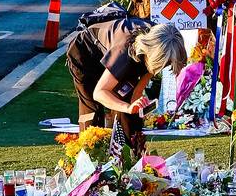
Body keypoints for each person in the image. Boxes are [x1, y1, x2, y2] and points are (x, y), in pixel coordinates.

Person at [66, 8, 188, 147]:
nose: (163, 67)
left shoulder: (161, 41)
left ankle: (131, 156)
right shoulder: (124, 53)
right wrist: (127, 107)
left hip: (125, 54)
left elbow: (138, 89)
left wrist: (135, 106)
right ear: (152, 55)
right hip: (86, 55)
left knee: (130, 112)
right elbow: (99, 93)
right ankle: (91, 159)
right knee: (93, 112)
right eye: (162, 64)